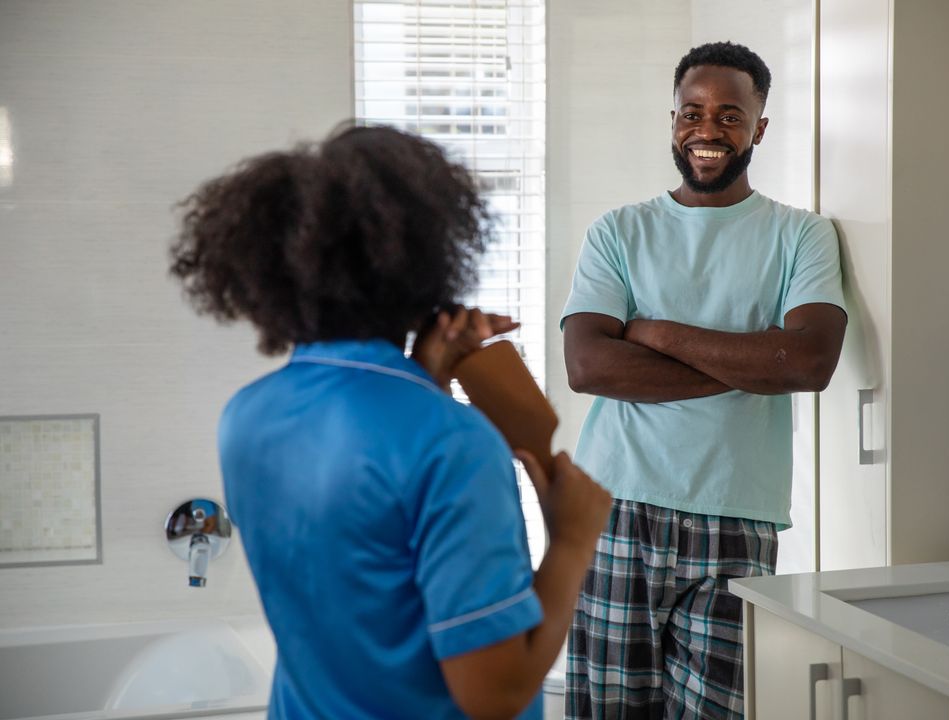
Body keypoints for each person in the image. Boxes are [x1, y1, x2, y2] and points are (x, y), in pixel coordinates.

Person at [169, 123, 612, 720]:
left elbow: (361, 563)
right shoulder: (454, 443)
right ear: (427, 261)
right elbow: (495, 693)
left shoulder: (246, 416)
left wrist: (423, 376)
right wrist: (573, 539)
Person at [561, 42, 847, 718]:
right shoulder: (619, 232)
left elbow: (807, 363)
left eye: (729, 115)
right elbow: (588, 366)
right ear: (673, 121)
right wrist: (753, 362)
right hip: (614, 508)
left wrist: (655, 333)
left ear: (759, 128)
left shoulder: (801, 236)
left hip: (737, 515)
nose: (707, 131)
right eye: (692, 113)